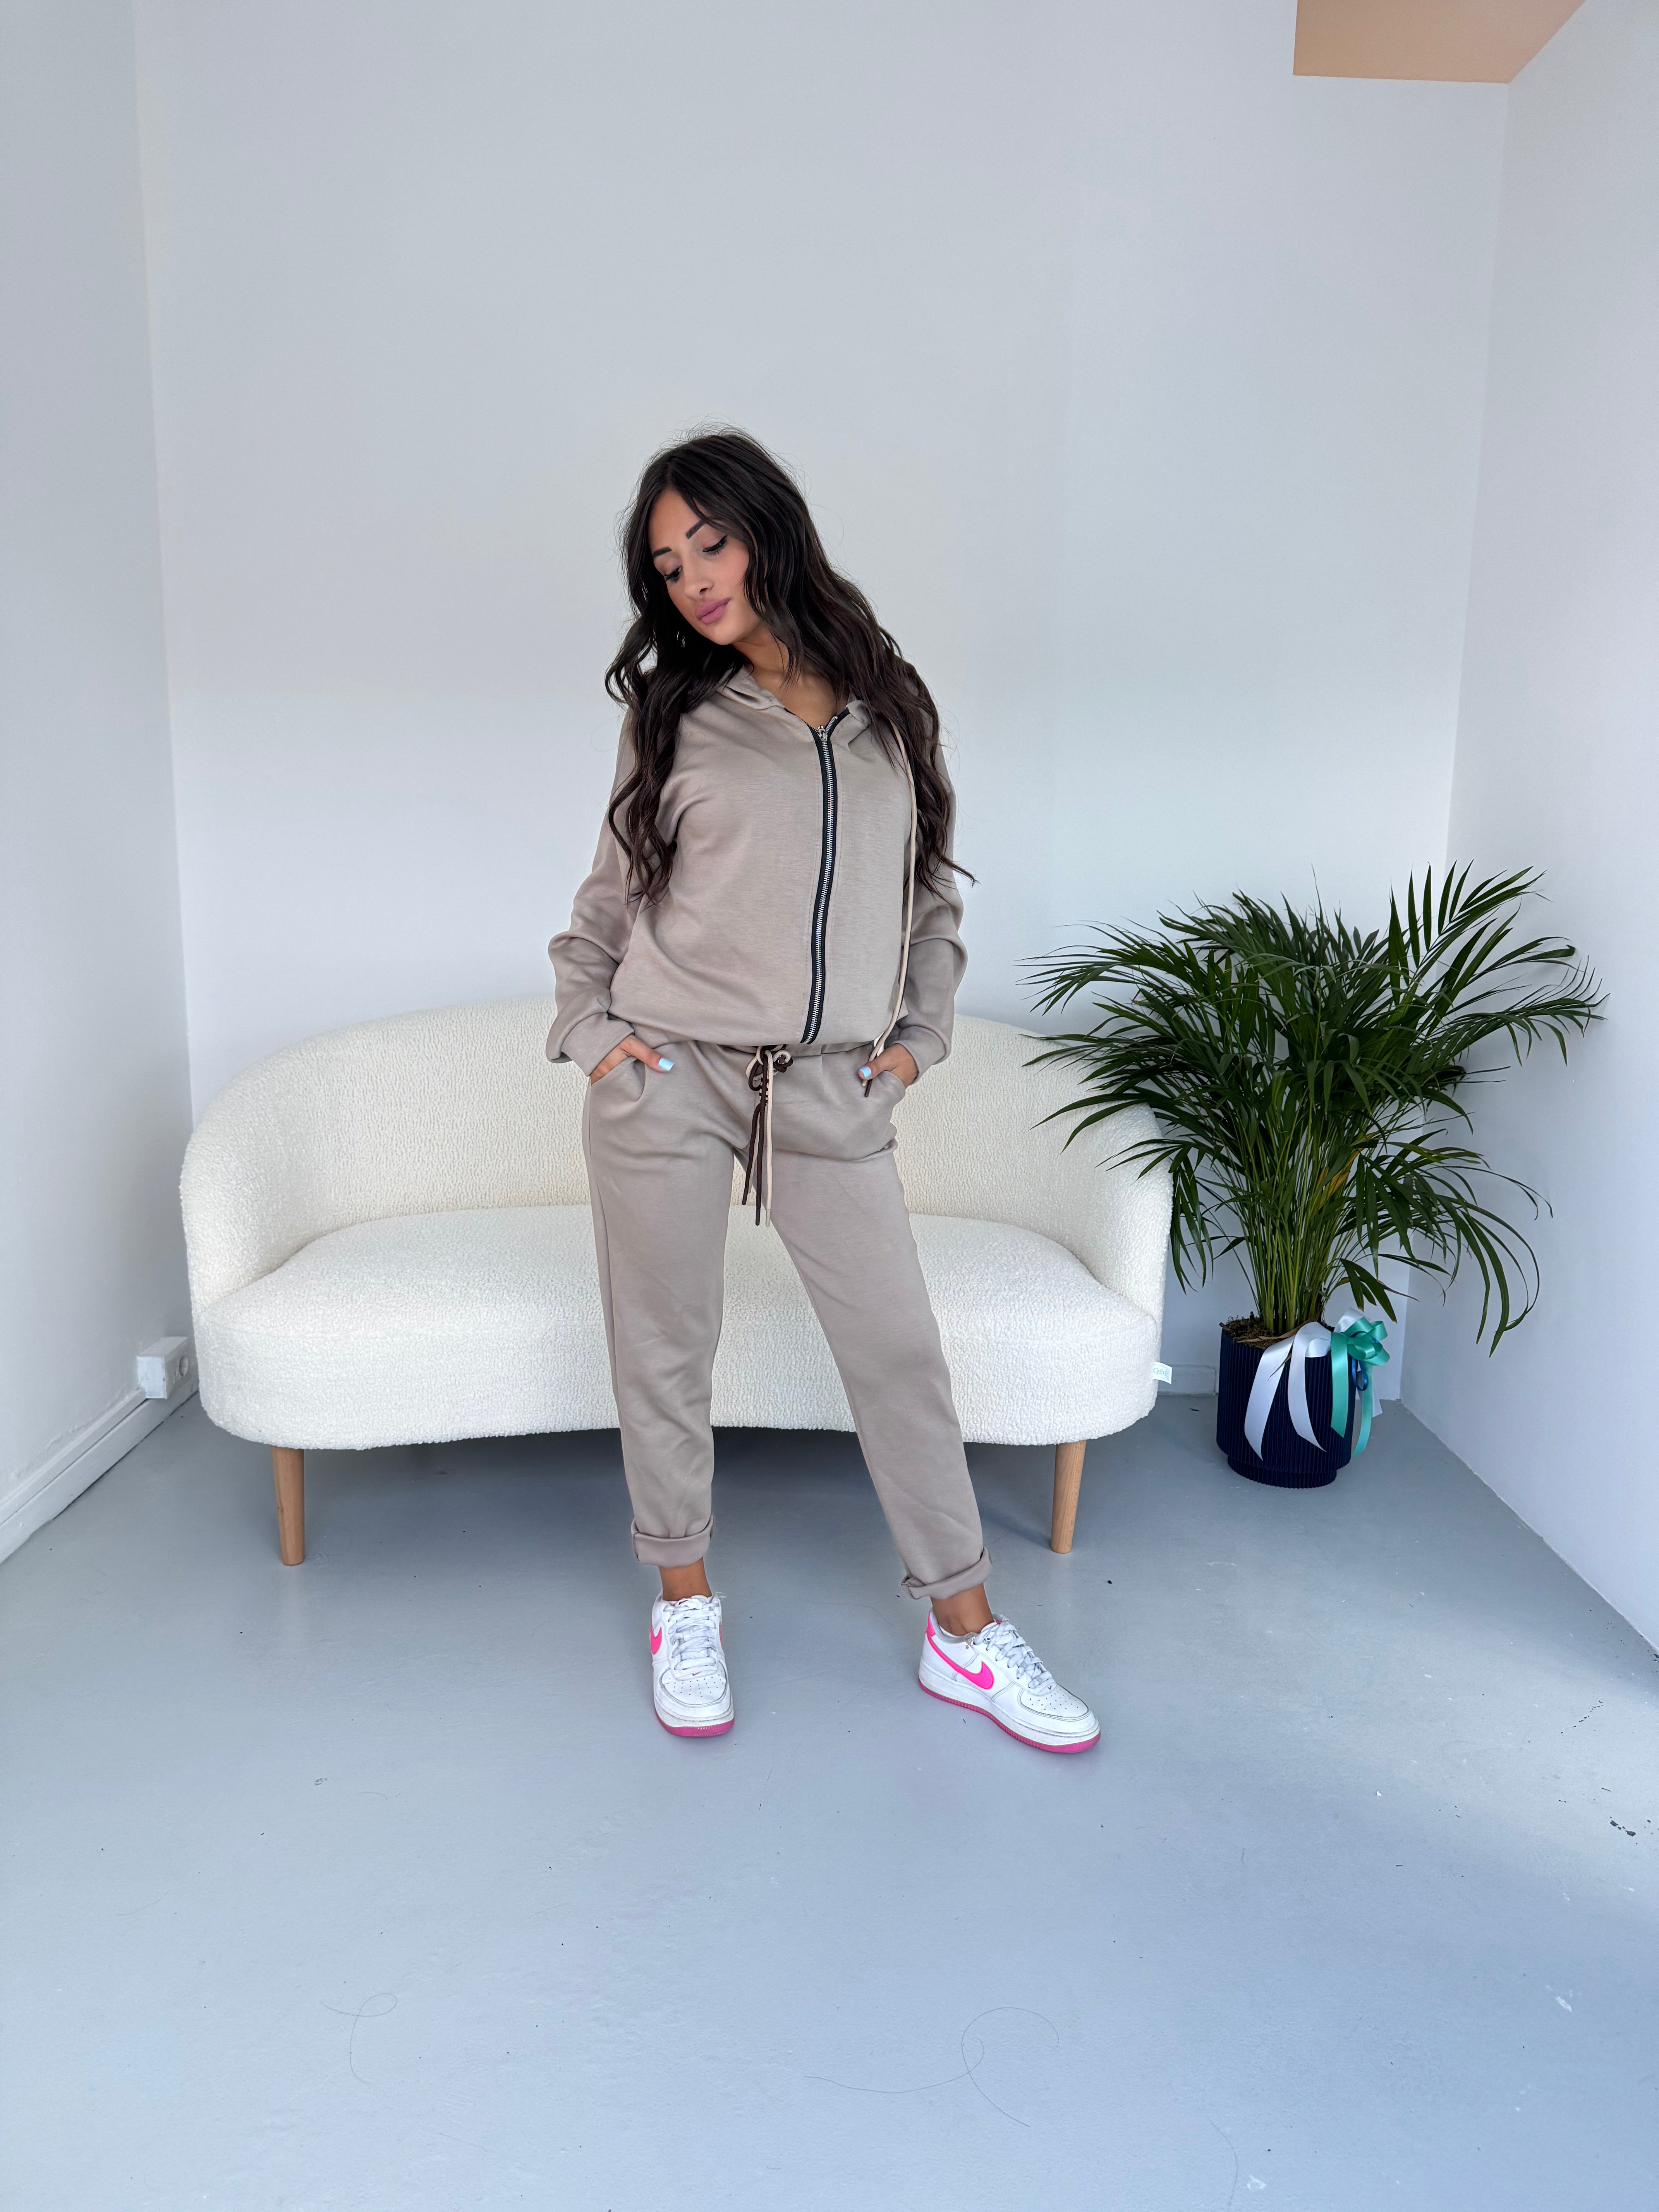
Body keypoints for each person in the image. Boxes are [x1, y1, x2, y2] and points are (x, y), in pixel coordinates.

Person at [547, 429, 1098, 1755]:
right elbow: (608, 902)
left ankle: (963, 1630)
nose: (691, 580)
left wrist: (912, 1042)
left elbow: (928, 894)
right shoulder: (673, 713)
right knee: (665, 1347)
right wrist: (593, 1031)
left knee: (897, 1352)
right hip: (670, 1078)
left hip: (829, 1093)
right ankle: (684, 1603)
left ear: (769, 531)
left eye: (711, 544)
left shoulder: (885, 700)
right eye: (666, 564)